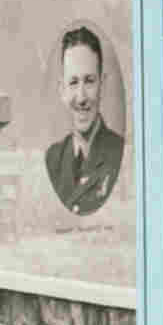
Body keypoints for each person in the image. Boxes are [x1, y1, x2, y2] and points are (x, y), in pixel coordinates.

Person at [39, 27, 125, 216]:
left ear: (102, 84)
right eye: (73, 82)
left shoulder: (119, 153)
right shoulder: (53, 159)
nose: (81, 97)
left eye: (89, 81)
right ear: (62, 91)